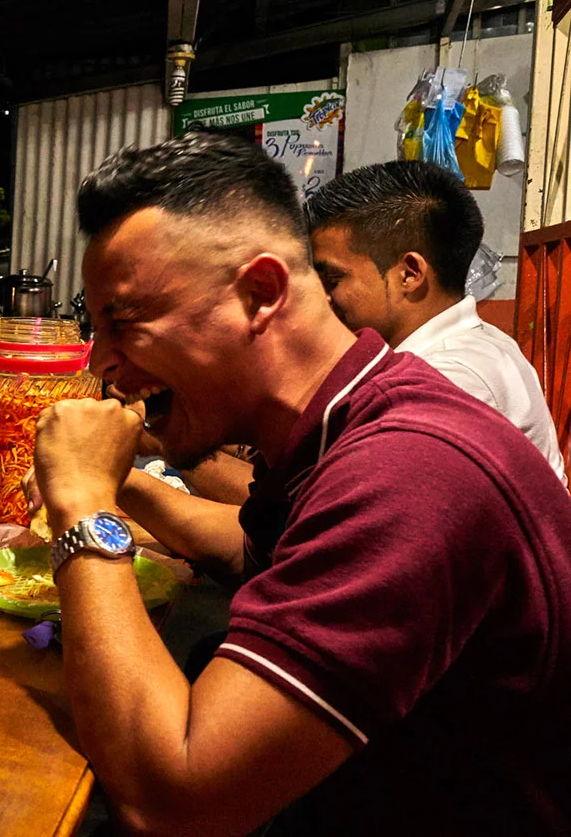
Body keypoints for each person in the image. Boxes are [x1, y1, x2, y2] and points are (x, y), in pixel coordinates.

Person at [31, 132, 571, 834]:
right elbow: (254, 551)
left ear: (261, 292)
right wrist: (118, 481)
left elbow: (175, 802)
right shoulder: (340, 419)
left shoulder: (411, 467)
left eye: (123, 322)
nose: (102, 362)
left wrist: (84, 501)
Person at [308, 159, 565, 482]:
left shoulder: (449, 376)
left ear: (409, 274)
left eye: (332, 279)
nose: (322, 298)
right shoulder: (474, 346)